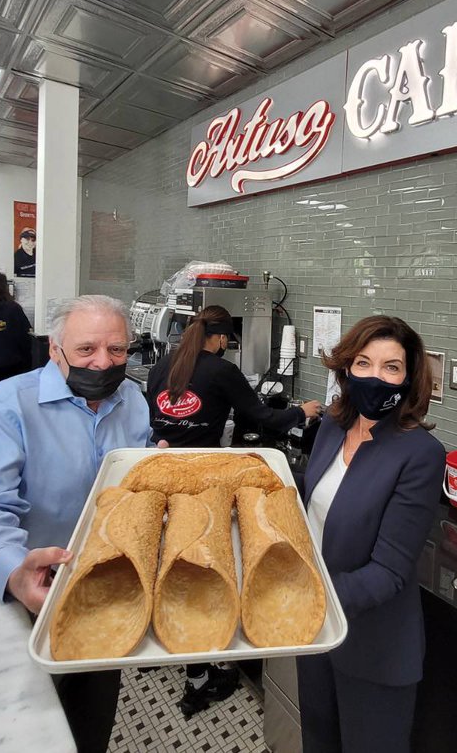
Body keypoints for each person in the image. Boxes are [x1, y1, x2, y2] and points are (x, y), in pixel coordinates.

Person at [0, 294, 150, 753]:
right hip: (26, 597)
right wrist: (14, 572)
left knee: (89, 721)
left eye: (117, 351)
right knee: (21, 731)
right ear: (55, 349)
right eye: (86, 350)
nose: (103, 363)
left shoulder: (133, 400)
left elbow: (124, 487)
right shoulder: (5, 407)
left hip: (105, 593)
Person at [146, 304, 322, 717]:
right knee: (208, 572)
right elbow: (265, 417)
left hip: (164, 471)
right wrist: (304, 412)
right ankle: (201, 678)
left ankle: (186, 660)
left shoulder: (165, 362)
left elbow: (158, 416)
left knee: (176, 569)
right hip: (204, 482)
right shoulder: (221, 371)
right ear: (223, 337)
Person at [296, 315, 445, 753]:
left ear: (408, 379)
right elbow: (318, 498)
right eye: (364, 362)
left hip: (373, 649)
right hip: (318, 637)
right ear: (347, 368)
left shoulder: (420, 454)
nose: (375, 376)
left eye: (391, 367)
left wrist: (306, 598)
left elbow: (388, 573)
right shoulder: (332, 426)